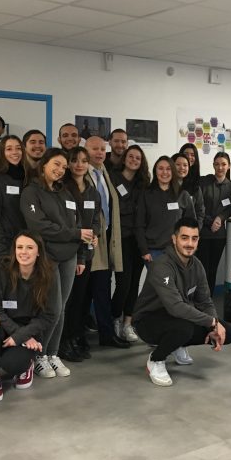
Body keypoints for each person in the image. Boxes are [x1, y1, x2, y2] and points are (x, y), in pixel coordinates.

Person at [133, 218, 231, 387]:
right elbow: (175, 307)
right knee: (184, 328)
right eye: (184, 238)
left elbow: (205, 301)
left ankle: (176, 344)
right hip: (147, 321)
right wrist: (211, 322)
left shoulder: (197, 265)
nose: (189, 243)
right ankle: (156, 359)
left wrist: (214, 326)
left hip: (176, 318)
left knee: (228, 333)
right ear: (174, 239)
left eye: (194, 238)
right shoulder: (161, 266)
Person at [21, 148, 91, 377]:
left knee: (61, 308)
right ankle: (39, 355)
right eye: (56, 164)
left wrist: (81, 256)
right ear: (44, 165)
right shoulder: (31, 192)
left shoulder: (65, 192)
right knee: (51, 308)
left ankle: (52, 353)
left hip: (69, 257)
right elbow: (39, 226)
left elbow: (77, 223)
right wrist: (74, 234)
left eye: (63, 167)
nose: (60, 170)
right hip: (47, 257)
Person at [0, 232, 58, 401]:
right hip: (4, 324)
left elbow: (48, 316)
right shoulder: (2, 271)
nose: (24, 252)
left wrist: (22, 335)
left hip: (30, 329)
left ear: (38, 252)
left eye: (30, 247)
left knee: (11, 364)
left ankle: (26, 366)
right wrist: (19, 334)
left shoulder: (48, 274)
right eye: (19, 247)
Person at [85, 136, 129, 349]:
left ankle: (106, 334)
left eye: (103, 149)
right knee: (85, 293)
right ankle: (78, 336)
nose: (99, 152)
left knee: (103, 289)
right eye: (94, 149)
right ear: (85, 151)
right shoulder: (83, 175)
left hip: (107, 238)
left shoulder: (104, 173)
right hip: (89, 241)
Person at [59, 145, 103, 360]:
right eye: (75, 160)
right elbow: (68, 223)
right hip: (70, 252)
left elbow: (96, 219)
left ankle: (76, 337)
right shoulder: (63, 189)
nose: (79, 165)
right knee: (68, 301)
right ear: (68, 164)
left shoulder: (92, 191)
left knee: (81, 299)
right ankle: (64, 341)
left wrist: (95, 233)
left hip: (87, 252)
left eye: (84, 161)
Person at [110, 145, 150, 343]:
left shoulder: (144, 183)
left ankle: (128, 323)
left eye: (138, 158)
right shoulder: (113, 178)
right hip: (121, 238)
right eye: (131, 156)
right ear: (124, 158)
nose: (134, 160)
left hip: (139, 239)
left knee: (135, 283)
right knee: (123, 283)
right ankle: (114, 319)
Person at [136, 155, 196, 262]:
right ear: (155, 171)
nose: (164, 172)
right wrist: (144, 251)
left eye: (168, 169)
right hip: (153, 252)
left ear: (173, 171)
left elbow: (191, 224)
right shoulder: (146, 195)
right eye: (161, 168)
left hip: (177, 251)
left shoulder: (183, 195)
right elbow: (139, 225)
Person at [197, 152, 231, 296]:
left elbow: (230, 208)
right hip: (202, 233)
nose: (220, 167)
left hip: (219, 235)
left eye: (223, 164)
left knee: (213, 269)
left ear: (229, 166)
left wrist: (220, 218)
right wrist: (210, 222)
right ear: (213, 165)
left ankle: (208, 299)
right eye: (217, 164)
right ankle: (198, 299)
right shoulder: (204, 182)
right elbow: (199, 206)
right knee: (201, 269)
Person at [0, 135, 26, 263]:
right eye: (9, 149)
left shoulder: (29, 177)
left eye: (18, 148)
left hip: (27, 243)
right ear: (2, 153)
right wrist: (0, 249)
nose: (14, 152)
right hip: (5, 244)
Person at [172, 152, 205, 227]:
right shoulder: (166, 187)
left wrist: (197, 229)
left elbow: (200, 211)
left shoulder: (195, 187)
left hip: (189, 230)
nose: (182, 168)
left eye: (185, 165)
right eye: (178, 164)